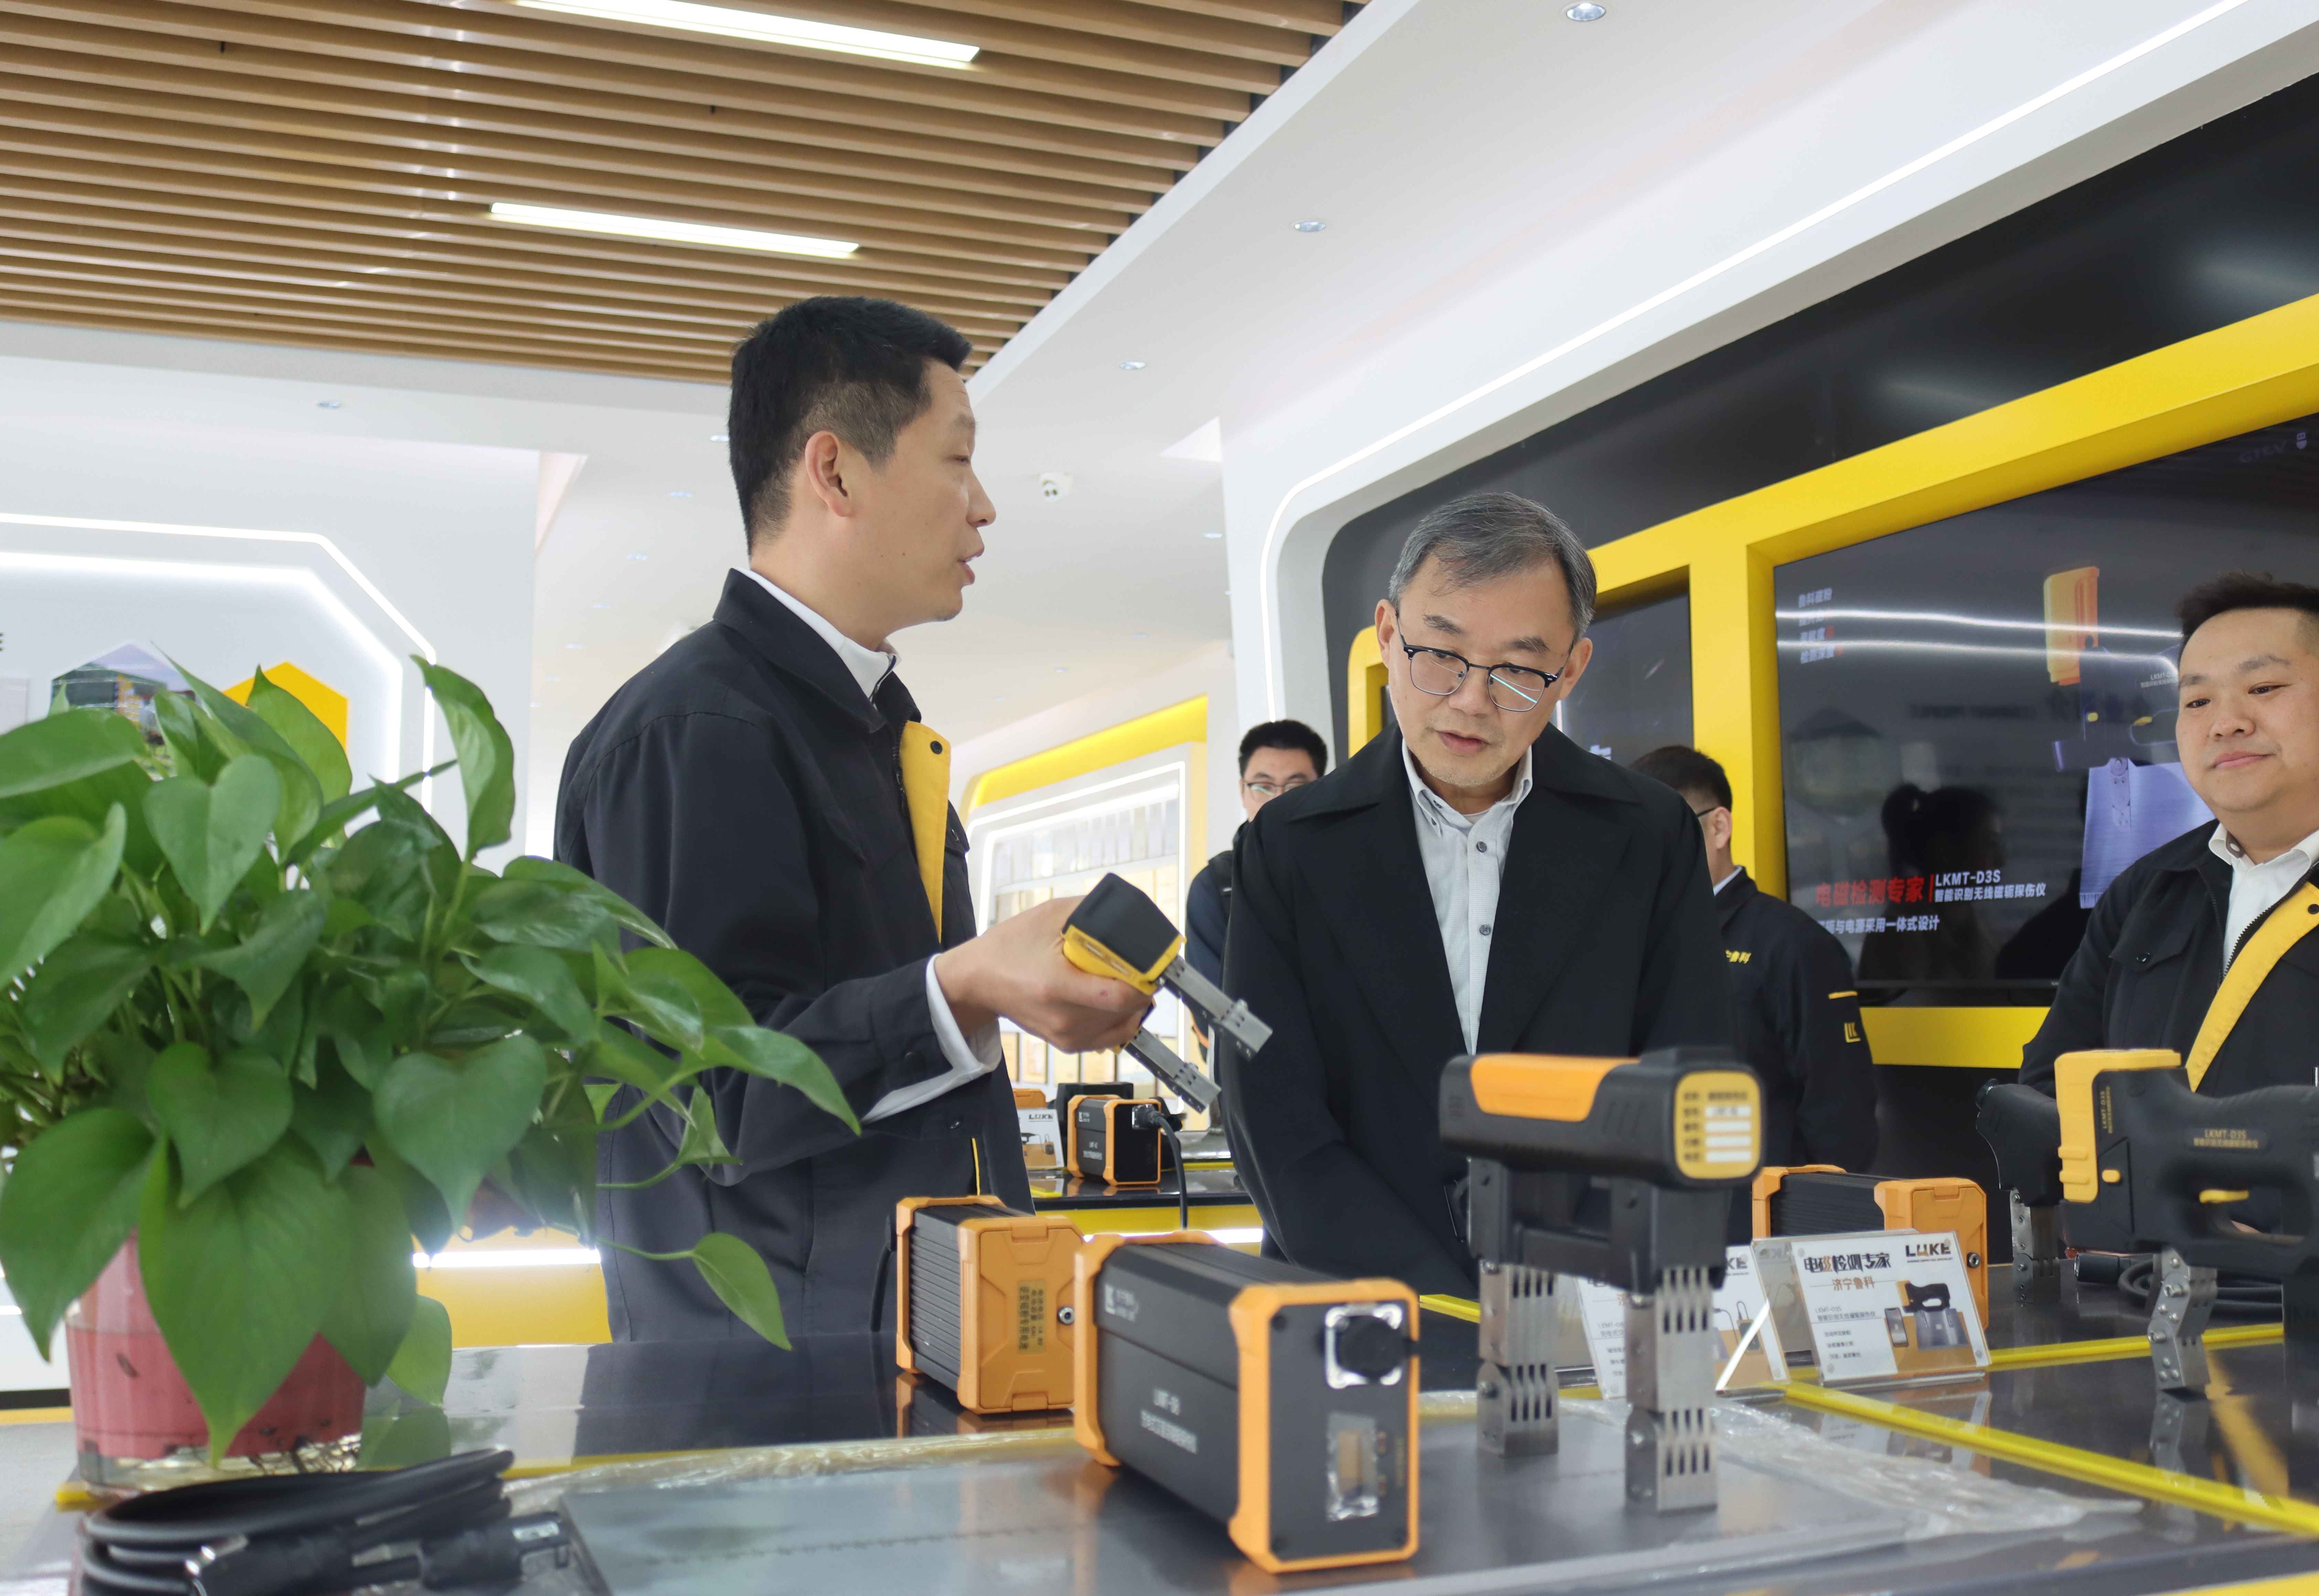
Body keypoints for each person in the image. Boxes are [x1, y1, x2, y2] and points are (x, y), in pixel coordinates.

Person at [556, 298, 1150, 1341]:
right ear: (833, 472)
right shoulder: (697, 729)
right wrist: (964, 984)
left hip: (902, 1344)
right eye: (956, 460)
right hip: (768, 1380)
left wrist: (989, 992)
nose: (984, 507)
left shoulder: (866, 727)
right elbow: (721, 1090)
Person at [1221, 492, 1733, 1296]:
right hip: (1352, 1304)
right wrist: (1439, 1303)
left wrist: (1570, 1287)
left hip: (1582, 1301)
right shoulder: (1288, 846)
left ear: (1571, 669)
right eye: (1440, 653)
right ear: (1388, 634)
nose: (1470, 699)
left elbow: (1687, 1083)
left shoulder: (1648, 833)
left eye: (1519, 670)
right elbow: (1272, 1116)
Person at [2022, 573, 2319, 1096]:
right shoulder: (2145, 891)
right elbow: (2051, 1088)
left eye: (2263, 689)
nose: (2226, 724)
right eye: (2197, 702)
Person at [1631, 746, 1876, 1171]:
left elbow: (1840, 1116)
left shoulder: (1793, 944)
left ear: (1719, 827)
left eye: (1662, 832)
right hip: (1656, 1196)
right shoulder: (1631, 944)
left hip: (1760, 1203)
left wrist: (1810, 1207)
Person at [1184, 720, 1328, 992]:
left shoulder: (1349, 870)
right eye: (1263, 787)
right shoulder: (1216, 886)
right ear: (1243, 791)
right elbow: (1213, 1005)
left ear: (1322, 789)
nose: (1278, 802)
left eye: (1296, 787)